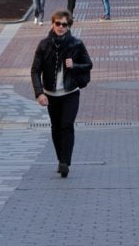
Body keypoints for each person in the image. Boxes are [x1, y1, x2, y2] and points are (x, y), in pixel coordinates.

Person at [31, 10, 93, 178]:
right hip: (51, 95)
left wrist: (74, 65)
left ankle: (65, 161)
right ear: (53, 24)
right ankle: (60, 159)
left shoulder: (76, 44)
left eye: (64, 24)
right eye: (57, 23)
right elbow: (35, 70)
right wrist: (39, 93)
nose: (60, 27)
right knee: (56, 127)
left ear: (68, 26)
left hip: (70, 92)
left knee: (66, 125)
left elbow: (88, 64)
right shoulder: (44, 45)